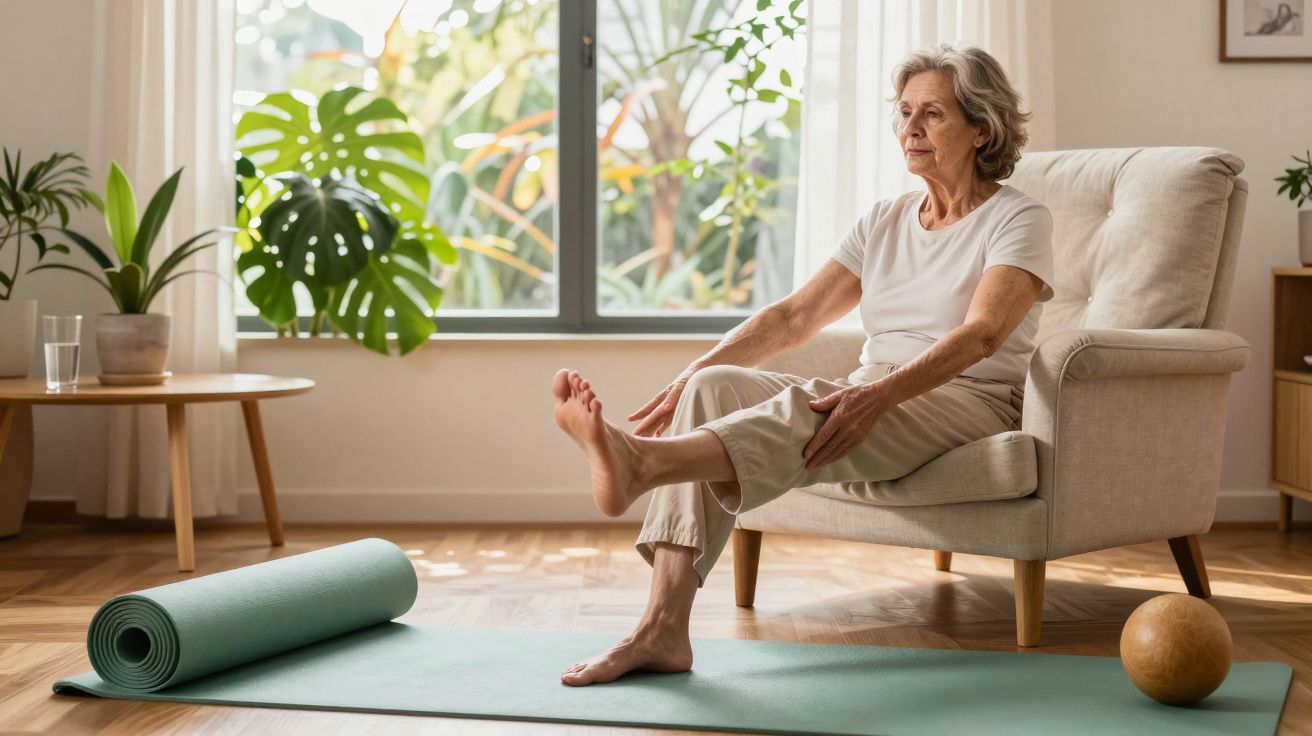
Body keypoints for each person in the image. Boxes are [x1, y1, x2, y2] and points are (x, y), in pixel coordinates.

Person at [552, 42, 1054, 686]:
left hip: (970, 402)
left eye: (932, 114)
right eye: (904, 113)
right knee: (714, 388)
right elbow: (792, 319)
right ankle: (662, 631)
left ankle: (643, 463)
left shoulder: (1018, 217)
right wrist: (686, 379)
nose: (909, 129)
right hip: (877, 387)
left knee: (816, 405)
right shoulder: (884, 220)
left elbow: (983, 335)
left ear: (981, 127)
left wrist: (878, 396)